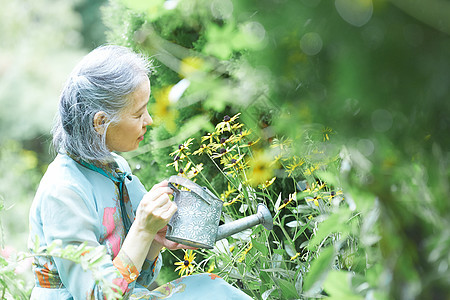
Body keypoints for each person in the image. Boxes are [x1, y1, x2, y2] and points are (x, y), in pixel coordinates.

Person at [28, 45, 252, 299]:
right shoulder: (63, 192)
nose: (149, 120)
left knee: (212, 289)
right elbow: (99, 295)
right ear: (101, 122)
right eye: (138, 113)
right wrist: (142, 230)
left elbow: (139, 281)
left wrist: (154, 238)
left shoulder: (114, 167)